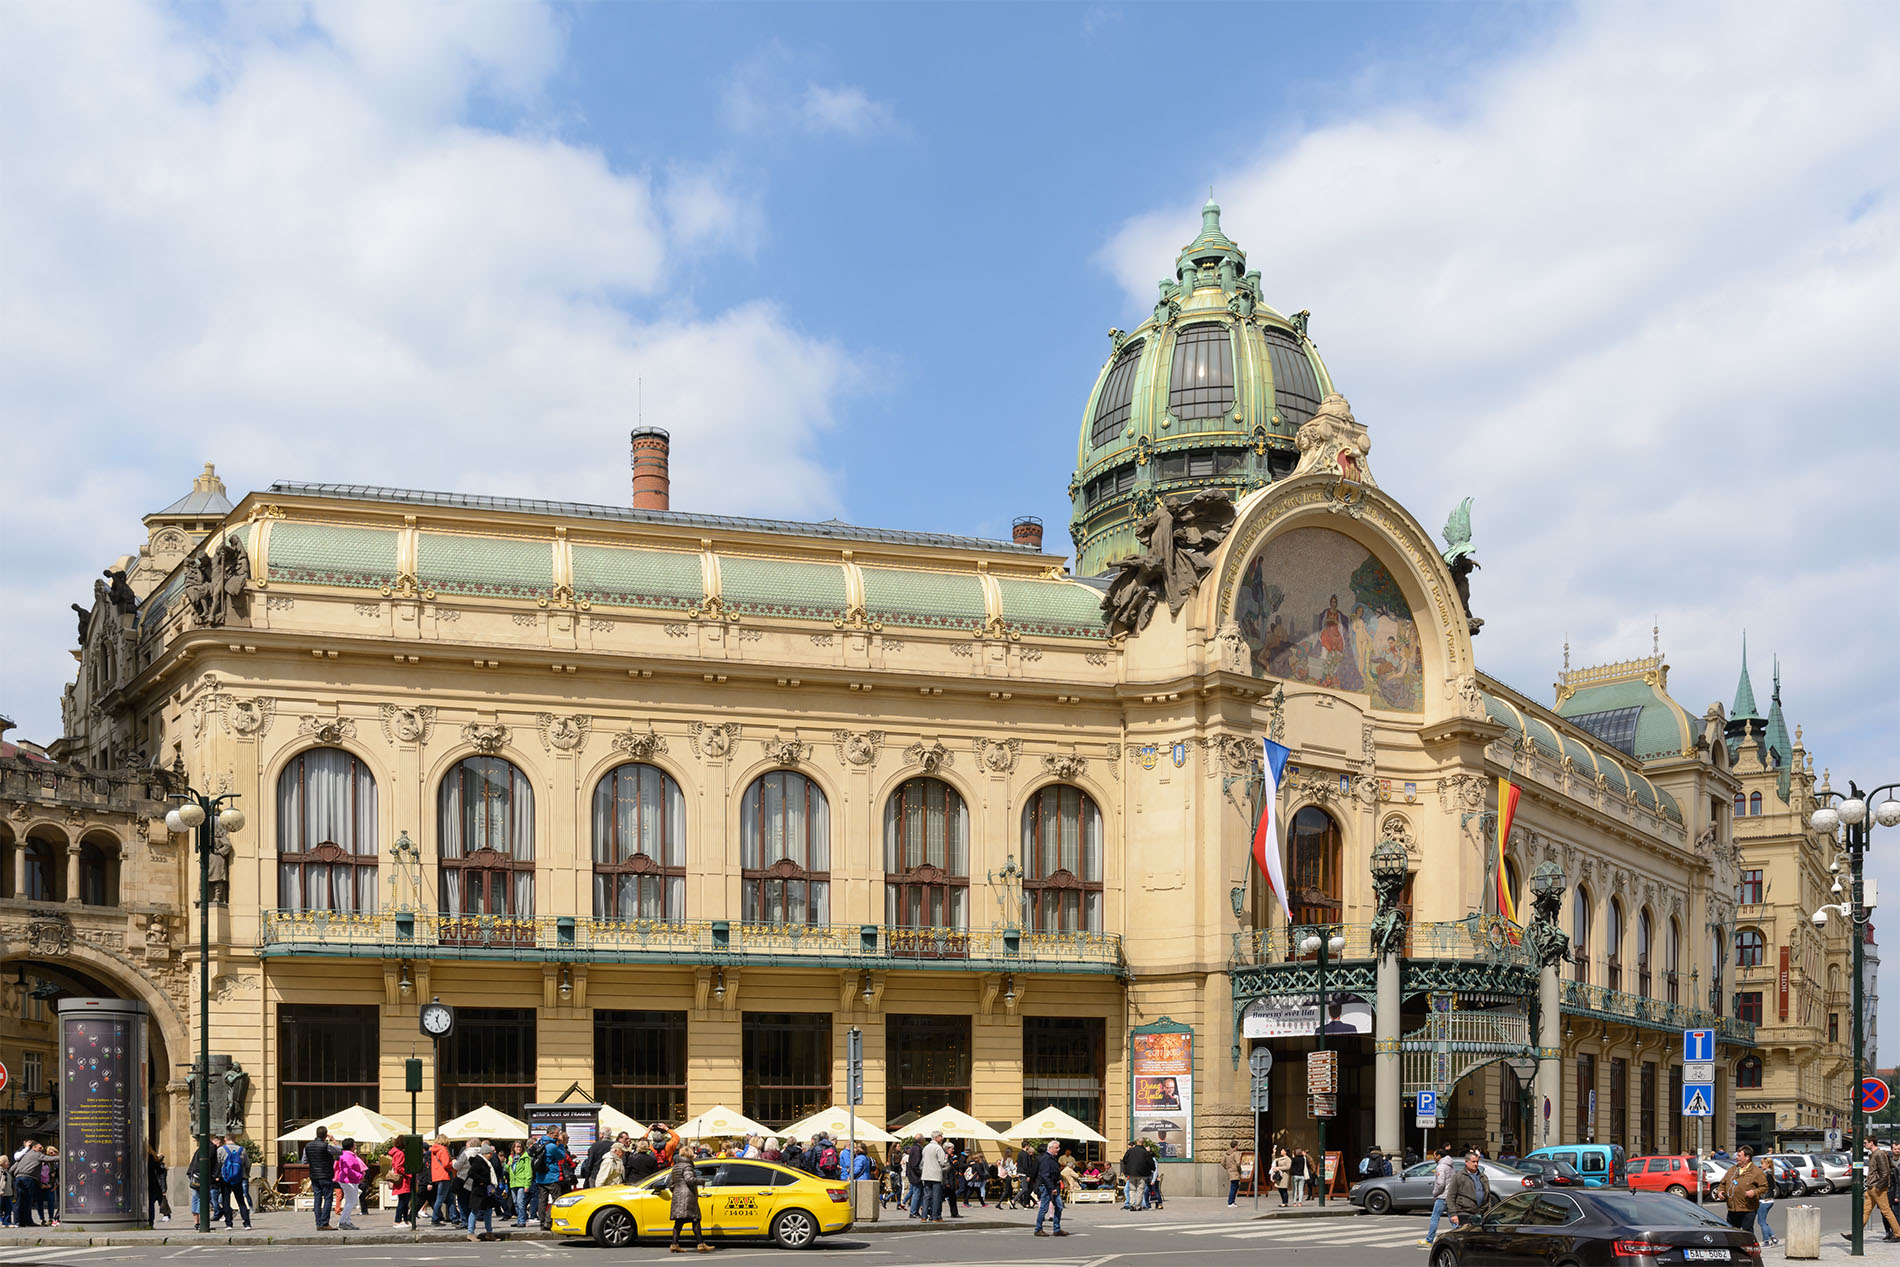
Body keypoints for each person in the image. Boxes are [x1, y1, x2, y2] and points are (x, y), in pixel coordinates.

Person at [660, 1148, 710, 1253]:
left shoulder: (675, 1167)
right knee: (696, 1219)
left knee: (679, 1222)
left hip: (678, 1196)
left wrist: (677, 1191)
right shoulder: (687, 1166)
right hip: (688, 1196)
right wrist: (701, 1181)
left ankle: (674, 1244)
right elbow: (689, 1179)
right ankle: (700, 1244)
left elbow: (671, 1185)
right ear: (690, 1156)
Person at [1855, 1138, 1900, 1243]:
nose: (1864, 1144)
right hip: (1872, 1187)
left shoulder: (1879, 1154)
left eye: (1865, 1143)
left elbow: (1885, 1172)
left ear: (1871, 1143)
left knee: (1886, 1211)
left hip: (1876, 1188)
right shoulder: (1874, 1154)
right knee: (1866, 1211)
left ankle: (1897, 1234)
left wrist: (1879, 1187)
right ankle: (1856, 1233)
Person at [1718, 1146, 1769, 1234]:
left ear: (1747, 1157)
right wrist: (1720, 1191)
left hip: (1747, 1209)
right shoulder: (1732, 1170)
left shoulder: (1756, 1172)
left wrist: (1754, 1192)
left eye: (1739, 1156)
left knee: (1746, 1233)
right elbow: (1723, 1183)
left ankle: (1749, 1248)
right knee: (1732, 1233)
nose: (1736, 1158)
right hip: (1732, 1209)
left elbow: (1764, 1187)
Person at [531, 1127, 569, 1231]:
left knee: (542, 1201)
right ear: (551, 1134)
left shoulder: (539, 1142)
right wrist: (561, 1144)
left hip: (540, 1177)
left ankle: (542, 1223)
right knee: (557, 1199)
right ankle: (548, 1221)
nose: (558, 1136)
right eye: (557, 1134)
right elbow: (562, 1157)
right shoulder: (551, 1146)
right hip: (551, 1176)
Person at [303, 1126, 339, 1231]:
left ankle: (318, 1223)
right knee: (328, 1198)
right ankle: (324, 1223)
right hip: (326, 1175)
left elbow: (304, 1160)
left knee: (317, 1198)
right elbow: (340, 1151)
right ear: (325, 1135)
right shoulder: (325, 1146)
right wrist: (334, 1140)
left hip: (314, 1176)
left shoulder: (308, 1146)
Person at [1418, 1146, 1456, 1248]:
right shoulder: (1451, 1165)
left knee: (1435, 1218)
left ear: (1439, 1156)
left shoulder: (1441, 1167)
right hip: (1450, 1195)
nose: (1433, 1157)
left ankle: (1429, 1240)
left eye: (1434, 1155)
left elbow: (1440, 1183)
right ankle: (1459, 1236)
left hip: (1442, 1196)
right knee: (1452, 1217)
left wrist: (1435, 1192)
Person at [463, 1140, 501, 1241]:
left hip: (486, 1190)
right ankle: (470, 1233)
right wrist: (483, 1181)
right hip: (479, 1190)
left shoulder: (486, 1162)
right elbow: (471, 1173)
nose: (491, 1156)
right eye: (490, 1154)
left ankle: (489, 1232)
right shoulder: (478, 1161)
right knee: (474, 1211)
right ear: (486, 1154)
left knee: (488, 1211)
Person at [1030, 1139, 1066, 1237]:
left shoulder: (1053, 1158)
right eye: (1056, 1148)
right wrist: (1052, 1188)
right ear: (1050, 1148)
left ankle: (1056, 1229)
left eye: (1058, 1147)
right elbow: (1045, 1175)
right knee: (1044, 1208)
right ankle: (1038, 1229)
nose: (1058, 1149)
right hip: (1046, 1186)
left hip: (1053, 1186)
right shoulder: (1046, 1158)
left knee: (1059, 1206)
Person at [1446, 1152, 1490, 1228]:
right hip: (1464, 1213)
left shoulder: (1483, 1177)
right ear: (1466, 1162)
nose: (1476, 1164)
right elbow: (1450, 1196)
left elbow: (1488, 1197)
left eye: (1477, 1162)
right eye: (1473, 1162)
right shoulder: (1458, 1176)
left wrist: (1489, 1213)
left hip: (1481, 1214)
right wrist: (1453, 1214)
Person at [330, 1138, 365, 1232]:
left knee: (349, 1202)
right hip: (349, 1181)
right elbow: (347, 1170)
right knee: (352, 1202)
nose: (355, 1146)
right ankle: (342, 1222)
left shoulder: (346, 1155)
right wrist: (359, 1175)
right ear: (351, 1146)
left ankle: (347, 1221)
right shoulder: (348, 1156)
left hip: (348, 1180)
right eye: (354, 1145)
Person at [218, 1136, 253, 1229]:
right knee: (241, 1201)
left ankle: (229, 1223)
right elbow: (247, 1164)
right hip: (238, 1178)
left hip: (225, 1179)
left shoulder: (221, 1150)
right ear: (235, 1139)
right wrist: (245, 1175)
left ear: (225, 1139)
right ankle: (247, 1223)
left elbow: (217, 1164)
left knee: (226, 1200)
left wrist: (217, 1176)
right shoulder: (242, 1149)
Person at [10, 1142, 43, 1229]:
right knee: (23, 1200)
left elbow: (12, 1168)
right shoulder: (24, 1154)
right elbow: (15, 1162)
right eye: (40, 1148)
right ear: (33, 1147)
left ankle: (22, 1221)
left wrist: (14, 1176)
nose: (41, 1150)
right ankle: (19, 1221)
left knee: (25, 1200)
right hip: (26, 1179)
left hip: (20, 1179)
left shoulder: (24, 1156)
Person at [919, 1131, 949, 1223]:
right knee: (936, 1197)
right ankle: (935, 1216)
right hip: (935, 1175)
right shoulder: (938, 1148)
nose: (942, 1138)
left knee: (926, 1196)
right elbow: (942, 1162)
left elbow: (923, 1161)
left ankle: (924, 1217)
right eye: (941, 1136)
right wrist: (946, 1158)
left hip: (926, 1174)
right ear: (936, 1137)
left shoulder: (926, 1148)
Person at [429, 1134, 454, 1226]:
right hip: (444, 1175)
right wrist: (453, 1163)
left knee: (450, 1198)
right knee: (440, 1199)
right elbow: (446, 1163)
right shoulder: (443, 1149)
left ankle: (454, 1217)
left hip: (436, 1175)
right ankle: (435, 1219)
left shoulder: (433, 1150)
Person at [1121, 1138, 1154, 1210]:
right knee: (1140, 1190)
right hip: (1142, 1174)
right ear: (1143, 1143)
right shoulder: (1145, 1152)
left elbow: (1124, 1160)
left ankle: (1132, 1205)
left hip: (1131, 1173)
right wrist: (1152, 1169)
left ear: (1136, 1142)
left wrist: (1128, 1169)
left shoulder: (1130, 1151)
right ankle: (1138, 1206)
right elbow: (1151, 1162)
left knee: (1132, 1189)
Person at [507, 1141, 534, 1226]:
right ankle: (520, 1218)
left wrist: (527, 1184)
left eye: (520, 1147)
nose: (518, 1149)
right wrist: (508, 1165)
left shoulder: (525, 1158)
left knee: (520, 1202)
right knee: (515, 1202)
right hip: (513, 1183)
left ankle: (522, 1221)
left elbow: (528, 1171)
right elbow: (507, 1170)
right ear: (513, 1148)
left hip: (521, 1183)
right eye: (516, 1147)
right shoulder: (511, 1157)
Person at [388, 1139, 413, 1229]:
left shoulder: (396, 1153)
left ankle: (405, 1220)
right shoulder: (400, 1153)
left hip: (402, 1180)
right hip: (403, 1180)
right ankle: (397, 1220)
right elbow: (399, 1167)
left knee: (404, 1201)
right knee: (403, 1201)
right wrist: (408, 1173)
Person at [148, 1143, 173, 1225]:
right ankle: (151, 1221)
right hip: (154, 1184)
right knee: (154, 1201)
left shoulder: (147, 1158)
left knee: (152, 1202)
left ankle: (151, 1220)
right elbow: (160, 1171)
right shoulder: (153, 1157)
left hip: (150, 1184)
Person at [1221, 1143, 1244, 1207]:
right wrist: (1240, 1169)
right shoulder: (1235, 1153)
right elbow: (1238, 1163)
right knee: (1234, 1187)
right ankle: (1230, 1202)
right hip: (1235, 1172)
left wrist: (1227, 1168)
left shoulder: (1226, 1154)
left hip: (1230, 1172)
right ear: (1235, 1146)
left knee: (1235, 1186)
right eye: (1238, 1145)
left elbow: (1222, 1163)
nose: (1238, 1146)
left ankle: (1232, 1202)